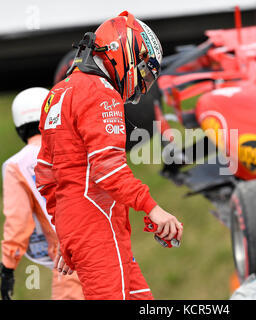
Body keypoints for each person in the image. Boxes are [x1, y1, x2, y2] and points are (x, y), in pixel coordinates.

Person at [35, 11, 183, 300]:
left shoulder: (57, 93)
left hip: (82, 224)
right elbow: (108, 167)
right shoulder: (101, 93)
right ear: (124, 52)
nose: (142, 83)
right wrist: (152, 208)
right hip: (98, 224)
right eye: (143, 72)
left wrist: (67, 232)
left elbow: (45, 175)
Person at [0, 88, 84, 300]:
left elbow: (18, 224)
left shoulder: (16, 166)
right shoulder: (82, 148)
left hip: (69, 260)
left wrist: (7, 267)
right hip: (112, 251)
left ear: (19, 128)